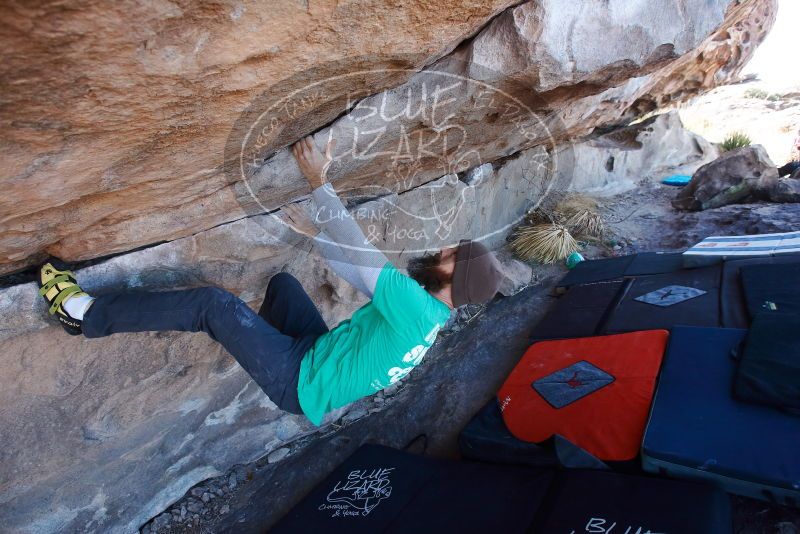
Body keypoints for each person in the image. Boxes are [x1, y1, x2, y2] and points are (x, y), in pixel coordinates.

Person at [36, 136, 504, 426]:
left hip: (297, 384)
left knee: (214, 307)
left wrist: (318, 183)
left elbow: (360, 253)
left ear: (452, 276)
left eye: (452, 255)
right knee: (282, 285)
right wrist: (317, 233)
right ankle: (253, 343)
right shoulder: (428, 315)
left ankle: (83, 315)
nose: (443, 249)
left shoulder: (417, 308)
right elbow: (352, 271)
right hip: (315, 354)